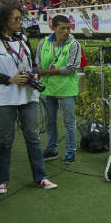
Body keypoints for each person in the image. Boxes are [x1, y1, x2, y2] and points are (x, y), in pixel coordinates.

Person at [0, 0, 57, 193]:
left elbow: (31, 63)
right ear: (3, 20)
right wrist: (9, 79)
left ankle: (40, 177)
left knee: (33, 137)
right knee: (5, 139)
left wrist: (33, 74)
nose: (20, 22)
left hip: (27, 95)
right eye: (16, 18)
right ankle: (2, 181)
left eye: (21, 17)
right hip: (2, 98)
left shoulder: (22, 38)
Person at [36, 15, 82, 163]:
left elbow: (72, 68)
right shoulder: (43, 43)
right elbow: (37, 64)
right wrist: (39, 73)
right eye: (62, 28)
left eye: (68, 28)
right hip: (47, 89)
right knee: (49, 122)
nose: (66, 31)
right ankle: (51, 149)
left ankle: (70, 151)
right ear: (53, 27)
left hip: (66, 90)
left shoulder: (74, 44)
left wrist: (47, 72)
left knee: (69, 122)